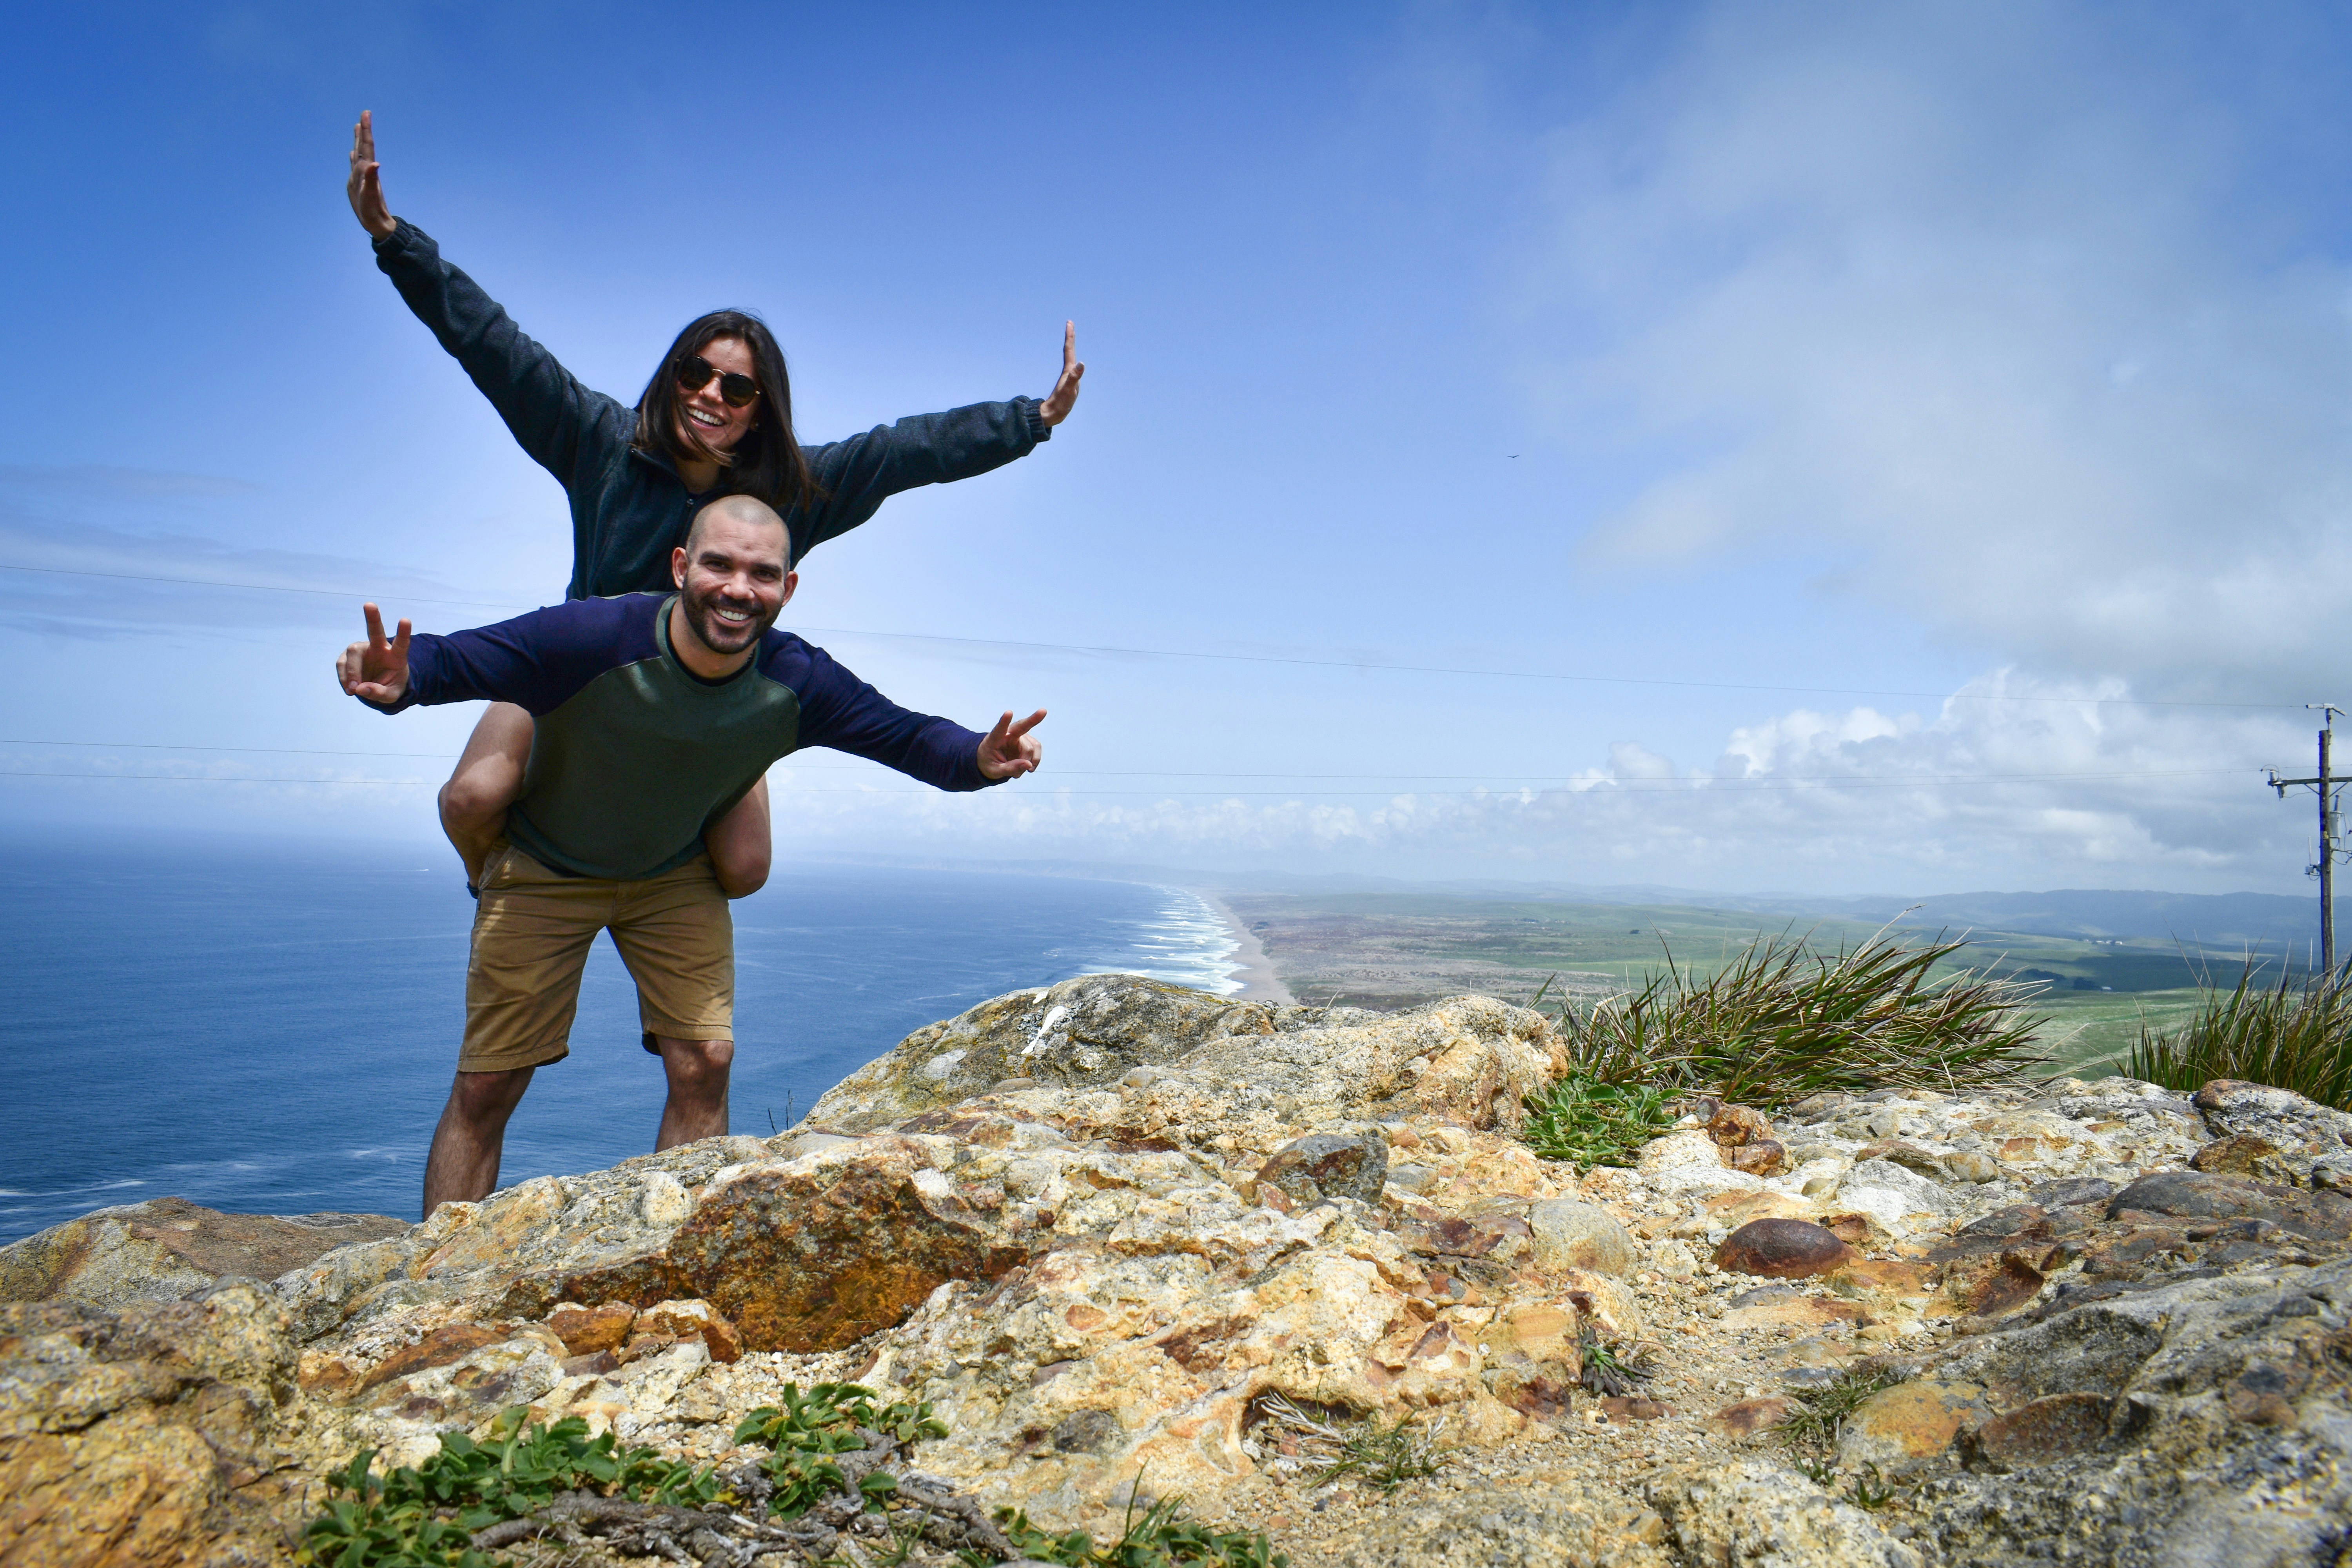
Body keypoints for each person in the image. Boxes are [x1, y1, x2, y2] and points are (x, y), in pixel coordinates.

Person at [345, 111, 1081, 898]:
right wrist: (394, 239)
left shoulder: (792, 492)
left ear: (760, 407)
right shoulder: (600, 442)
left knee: (745, 866)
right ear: (673, 376)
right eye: (695, 374)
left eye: (735, 387)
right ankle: (497, 879)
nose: (709, 396)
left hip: (716, 698)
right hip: (579, 680)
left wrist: (1029, 420)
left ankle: (665, 897)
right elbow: (495, 349)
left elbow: (909, 450)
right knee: (472, 799)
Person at [338, 494, 1045, 1215]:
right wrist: (402, 680)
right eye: (720, 565)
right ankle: (433, 1277)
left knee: (705, 1061)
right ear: (681, 567)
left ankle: (668, 1246)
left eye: (763, 574)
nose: (740, 589)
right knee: (489, 1082)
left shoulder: (799, 676)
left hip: (673, 874)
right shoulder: (594, 636)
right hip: (545, 866)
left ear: (788, 588)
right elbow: (461, 658)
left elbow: (905, 735)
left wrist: (977, 757)